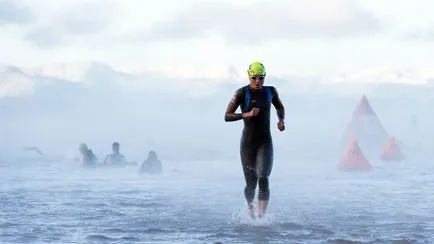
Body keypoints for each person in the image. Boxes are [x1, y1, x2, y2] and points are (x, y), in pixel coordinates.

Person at [224, 61, 285, 219]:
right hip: (248, 145)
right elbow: (227, 116)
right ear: (249, 77)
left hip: (265, 142)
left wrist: (281, 120)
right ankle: (250, 210)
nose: (258, 81)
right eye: (254, 77)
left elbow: (279, 107)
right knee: (251, 184)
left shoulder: (270, 91)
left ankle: (261, 217)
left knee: (263, 176)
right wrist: (247, 114)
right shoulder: (241, 93)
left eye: (261, 78)